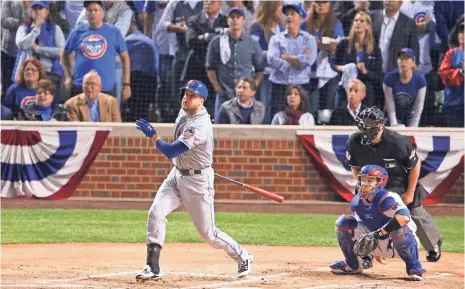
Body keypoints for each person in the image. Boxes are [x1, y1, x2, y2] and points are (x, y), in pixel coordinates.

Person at [134, 79, 253, 281]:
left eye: (192, 96)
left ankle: (243, 256)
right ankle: (152, 266)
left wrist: (153, 135)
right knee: (156, 212)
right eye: (186, 94)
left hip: (197, 182)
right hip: (177, 174)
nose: (187, 98)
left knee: (210, 235)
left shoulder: (200, 125)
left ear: (202, 100)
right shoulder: (185, 112)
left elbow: (170, 150)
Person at [346, 107, 443, 262]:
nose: (366, 128)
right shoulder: (354, 141)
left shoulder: (397, 141)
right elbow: (355, 166)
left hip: (397, 181)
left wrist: (410, 193)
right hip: (371, 184)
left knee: (414, 212)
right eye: (364, 124)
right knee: (363, 214)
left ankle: (433, 244)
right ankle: (366, 252)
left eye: (370, 124)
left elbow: (414, 165)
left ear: (381, 125)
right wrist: (363, 185)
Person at [330, 164, 426, 281]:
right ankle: (352, 265)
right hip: (376, 242)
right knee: (343, 223)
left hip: (400, 244)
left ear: (381, 182)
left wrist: (378, 234)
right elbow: (361, 227)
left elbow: (403, 219)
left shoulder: (388, 198)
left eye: (370, 181)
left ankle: (414, 267)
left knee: (398, 228)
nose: (365, 184)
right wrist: (369, 248)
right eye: (363, 180)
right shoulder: (358, 202)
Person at [61, 1, 131, 102]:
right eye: (89, 10)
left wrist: (126, 84)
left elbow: (125, 58)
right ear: (85, 14)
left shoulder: (114, 32)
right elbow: (64, 54)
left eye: (95, 10)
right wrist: (68, 76)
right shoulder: (77, 32)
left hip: (106, 89)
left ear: (103, 14)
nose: (92, 13)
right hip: (80, 88)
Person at [206, 7, 264, 118]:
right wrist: (217, 87)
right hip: (225, 93)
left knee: (249, 128)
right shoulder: (217, 41)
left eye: (238, 17)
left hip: (247, 95)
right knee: (220, 128)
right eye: (232, 17)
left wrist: (253, 86)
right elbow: (210, 67)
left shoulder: (252, 43)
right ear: (227, 20)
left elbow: (260, 68)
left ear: (243, 21)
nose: (235, 20)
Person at [267, 3, 317, 123]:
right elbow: (271, 59)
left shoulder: (309, 39)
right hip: (279, 87)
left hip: (301, 87)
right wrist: (295, 61)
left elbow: (309, 60)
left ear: (300, 18)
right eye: (287, 14)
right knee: (276, 121)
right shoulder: (275, 39)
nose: (288, 17)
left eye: (292, 14)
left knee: (302, 122)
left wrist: (285, 57)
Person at [332, 11, 382, 107]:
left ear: (368, 26)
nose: (358, 23)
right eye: (356, 20)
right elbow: (333, 64)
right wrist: (343, 68)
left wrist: (365, 71)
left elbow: (378, 75)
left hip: (366, 91)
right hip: (345, 88)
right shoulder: (344, 44)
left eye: (362, 21)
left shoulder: (375, 48)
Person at [249, 0, 284, 124]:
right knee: (263, 106)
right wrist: (274, 56)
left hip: (280, 75)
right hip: (264, 74)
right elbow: (255, 52)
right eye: (280, 7)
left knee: (277, 106)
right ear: (272, 9)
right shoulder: (257, 27)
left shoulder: (282, 27)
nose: (282, 10)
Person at [13, 1, 65, 81]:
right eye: (34, 8)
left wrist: (38, 49)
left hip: (49, 72)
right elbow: (22, 45)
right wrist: (36, 29)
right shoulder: (23, 28)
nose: (37, 11)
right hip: (28, 73)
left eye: (40, 8)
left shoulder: (55, 29)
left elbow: (62, 52)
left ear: (47, 11)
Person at [383, 48, 426, 127]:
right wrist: (394, 123)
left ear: (413, 62)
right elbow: (389, 102)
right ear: (397, 61)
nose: (403, 61)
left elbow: (419, 104)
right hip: (394, 113)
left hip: (411, 113)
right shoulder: (389, 78)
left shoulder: (420, 80)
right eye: (401, 58)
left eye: (406, 59)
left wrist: (414, 124)